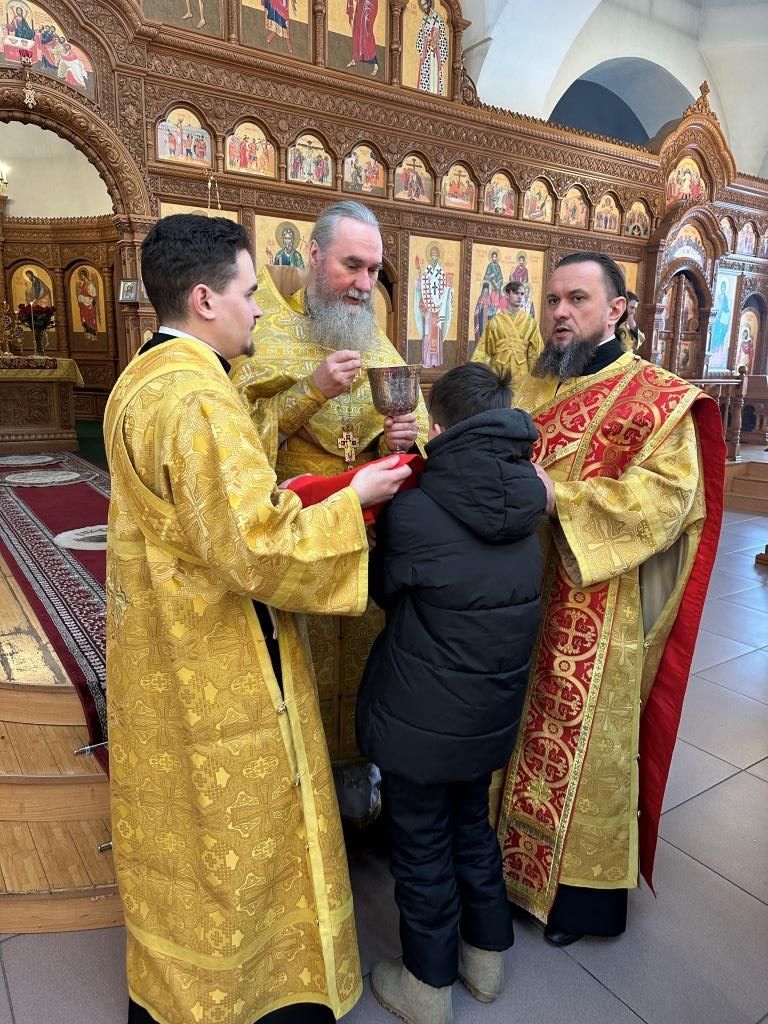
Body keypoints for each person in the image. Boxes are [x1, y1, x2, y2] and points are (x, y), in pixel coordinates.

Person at [105, 213, 413, 1024]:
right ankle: (255, 994)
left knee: (186, 820)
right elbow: (256, 543)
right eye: (248, 292)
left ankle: (178, 981)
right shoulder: (200, 398)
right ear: (205, 300)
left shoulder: (144, 376)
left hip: (167, 629)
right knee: (238, 821)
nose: (257, 307)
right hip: (221, 642)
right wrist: (354, 499)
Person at [496, 251, 725, 946]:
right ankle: (502, 870)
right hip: (519, 593)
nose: (560, 313)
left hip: (600, 605)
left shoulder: (657, 399)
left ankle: (579, 902)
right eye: (553, 300)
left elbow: (667, 500)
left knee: (586, 746)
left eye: (578, 299)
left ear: (617, 310)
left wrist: (559, 499)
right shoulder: (531, 385)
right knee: (513, 727)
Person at [357, 362, 545, 1024]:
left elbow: (383, 592)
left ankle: (426, 983)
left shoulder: (416, 506)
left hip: (419, 713)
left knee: (421, 844)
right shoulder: (530, 497)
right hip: (490, 712)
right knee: (472, 825)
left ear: (436, 430)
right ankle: (485, 959)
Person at [231, 200, 428, 775]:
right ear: (315, 255)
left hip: (365, 541)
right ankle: (305, 779)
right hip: (297, 534)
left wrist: (399, 438)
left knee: (364, 664)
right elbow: (238, 440)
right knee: (304, 667)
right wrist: (311, 389)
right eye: (352, 266)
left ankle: (363, 774)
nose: (365, 284)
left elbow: (412, 436)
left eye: (374, 270)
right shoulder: (264, 334)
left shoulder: (373, 339)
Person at [471, 280, 543, 379]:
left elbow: (536, 352)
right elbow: (484, 350)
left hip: (521, 374)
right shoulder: (495, 321)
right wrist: (478, 375)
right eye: (516, 293)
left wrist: (534, 379)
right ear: (507, 295)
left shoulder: (530, 323)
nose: (520, 297)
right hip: (498, 371)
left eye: (522, 294)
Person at [414, 244, 454, 369]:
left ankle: (436, 361)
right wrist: (419, 274)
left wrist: (449, 287)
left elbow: (446, 290)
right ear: (430, 256)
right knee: (427, 333)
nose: (435, 258)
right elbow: (419, 288)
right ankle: (427, 360)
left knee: (437, 334)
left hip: (438, 310)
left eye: (436, 256)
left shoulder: (442, 273)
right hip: (428, 310)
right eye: (433, 255)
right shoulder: (426, 272)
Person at [346, 0, 379, 75]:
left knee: (367, 32)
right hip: (361, 6)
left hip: (369, 6)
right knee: (357, 30)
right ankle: (355, 58)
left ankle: (375, 63)